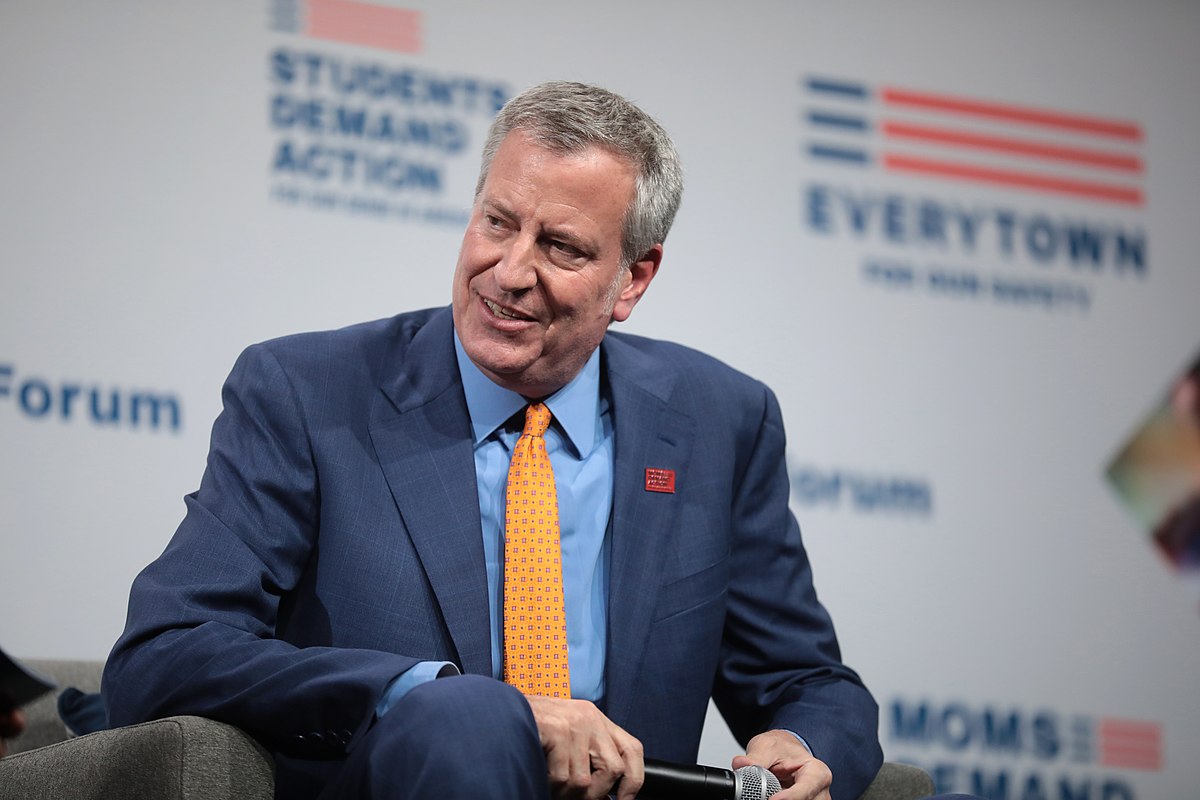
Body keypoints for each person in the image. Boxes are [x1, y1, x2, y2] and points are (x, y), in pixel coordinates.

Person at [103, 81, 885, 800]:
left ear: (634, 280)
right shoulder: (308, 392)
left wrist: (801, 741)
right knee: (471, 717)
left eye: (562, 247)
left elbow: (808, 679)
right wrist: (432, 694)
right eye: (498, 222)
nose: (509, 271)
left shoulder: (722, 421)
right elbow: (166, 653)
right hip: (391, 780)